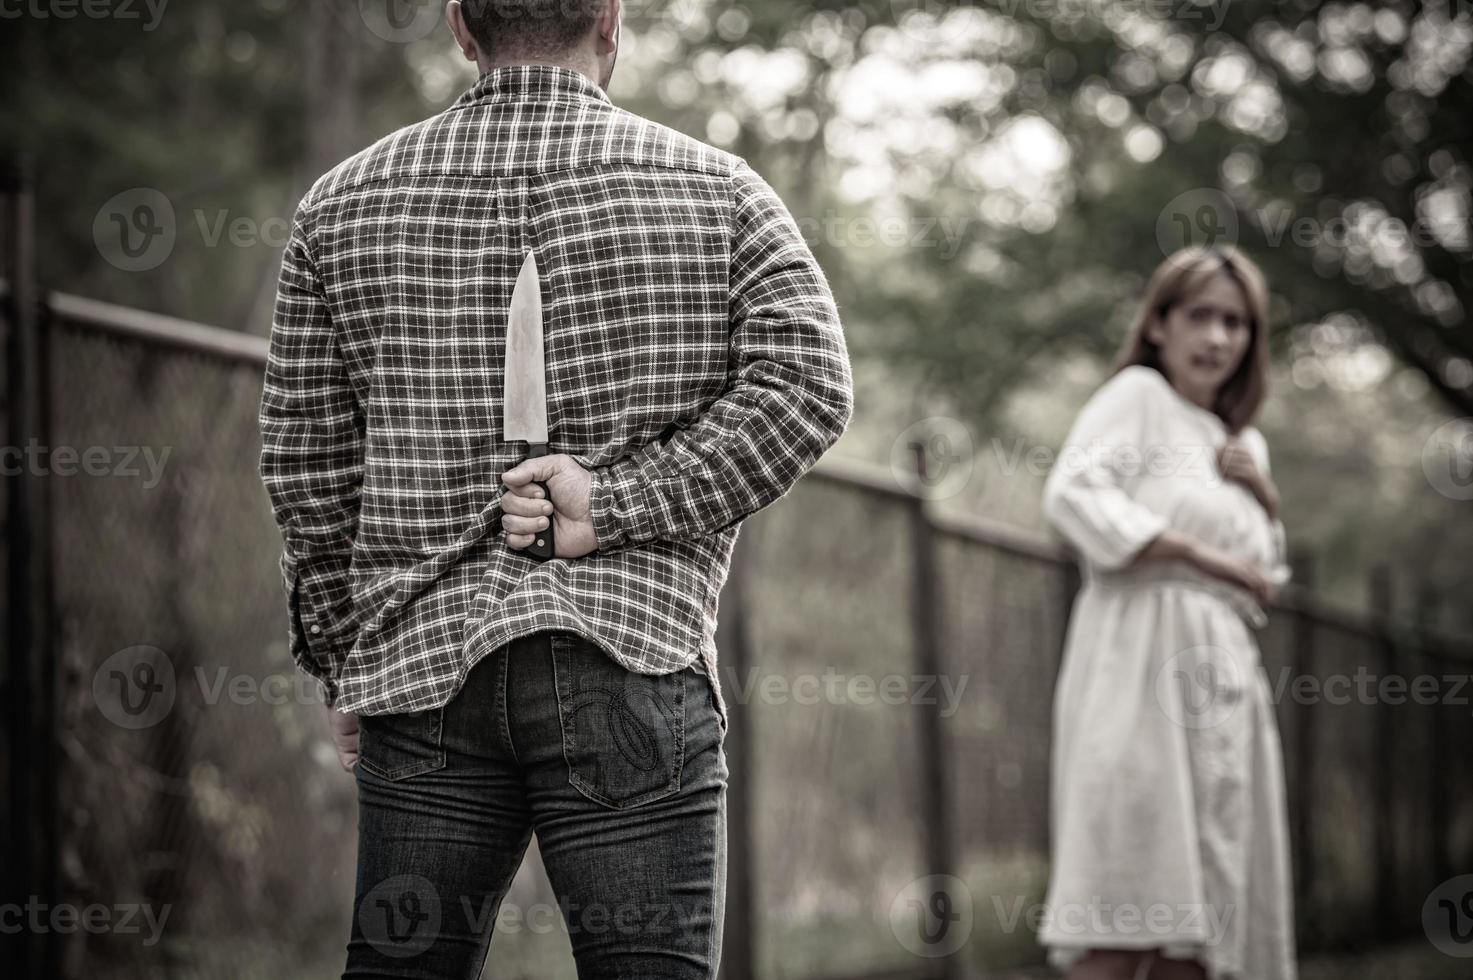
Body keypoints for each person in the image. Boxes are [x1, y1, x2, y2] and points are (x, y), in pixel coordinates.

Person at [256, 1, 854, 976]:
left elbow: (308, 465)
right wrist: (618, 502)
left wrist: (342, 657)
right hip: (637, 660)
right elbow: (809, 389)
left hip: (419, 671)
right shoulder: (721, 191)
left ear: (461, 26)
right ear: (610, 21)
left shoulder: (341, 204)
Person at [1037, 246, 1296, 980]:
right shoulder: (1139, 397)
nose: (1216, 339)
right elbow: (1073, 494)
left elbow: (1265, 580)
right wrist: (1195, 553)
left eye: (1235, 323)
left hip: (1221, 681)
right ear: (1158, 324)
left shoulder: (1243, 444)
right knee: (1126, 897)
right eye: (1199, 316)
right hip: (1136, 660)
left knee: (1204, 923)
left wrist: (1263, 498)